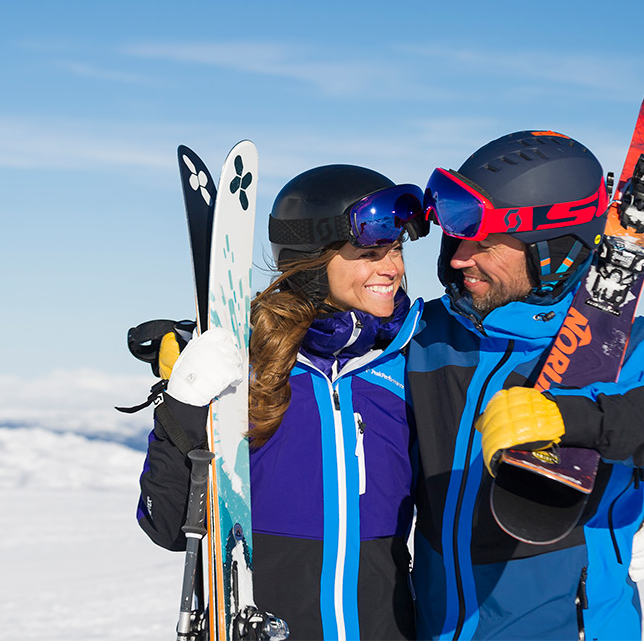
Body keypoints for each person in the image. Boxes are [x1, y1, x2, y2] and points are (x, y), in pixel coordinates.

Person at [406, 130, 644, 640]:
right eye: (456, 238)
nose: (459, 259)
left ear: (553, 249)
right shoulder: (429, 337)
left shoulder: (634, 347)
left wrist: (572, 419)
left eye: (483, 242)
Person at [136, 164, 429, 640]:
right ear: (312, 261)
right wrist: (183, 406)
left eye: (395, 250)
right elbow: (165, 523)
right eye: (369, 252)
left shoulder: (413, 359)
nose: (392, 268)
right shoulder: (246, 368)